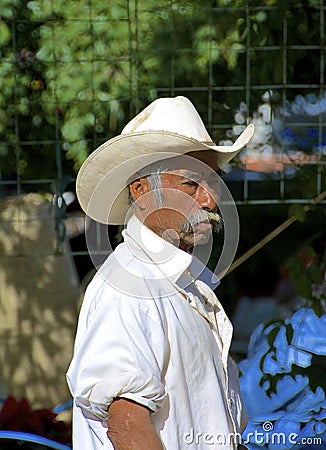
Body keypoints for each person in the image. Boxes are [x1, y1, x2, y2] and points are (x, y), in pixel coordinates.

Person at [66, 96, 255, 449]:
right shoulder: (127, 286)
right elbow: (127, 425)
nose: (210, 199)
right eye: (191, 184)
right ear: (141, 191)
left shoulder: (185, 284)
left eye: (216, 181)